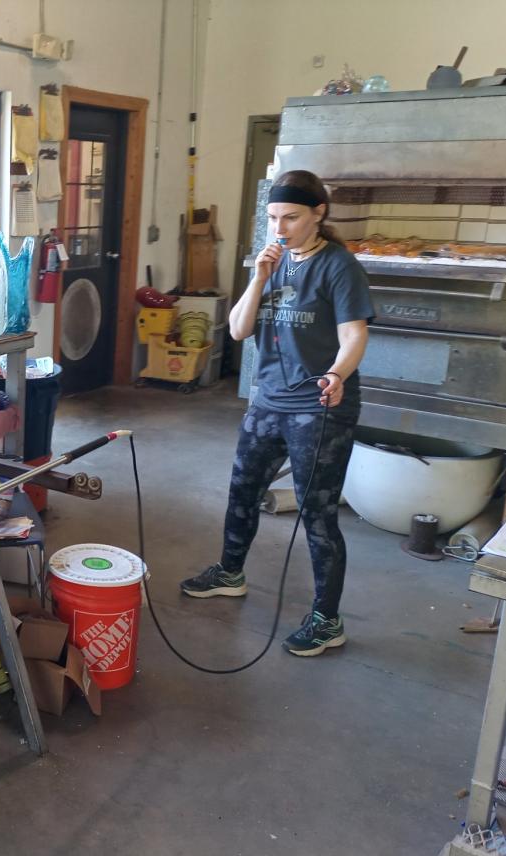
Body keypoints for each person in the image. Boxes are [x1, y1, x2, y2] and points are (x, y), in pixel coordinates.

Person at [179, 170, 372, 657]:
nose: (280, 227)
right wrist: (260, 275)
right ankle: (230, 572)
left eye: (291, 217)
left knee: (317, 513)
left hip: (320, 404)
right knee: (243, 489)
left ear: (318, 214)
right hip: (268, 399)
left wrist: (336, 374)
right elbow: (240, 329)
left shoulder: (338, 267)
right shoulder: (271, 262)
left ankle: (328, 620)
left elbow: (354, 336)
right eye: (272, 218)